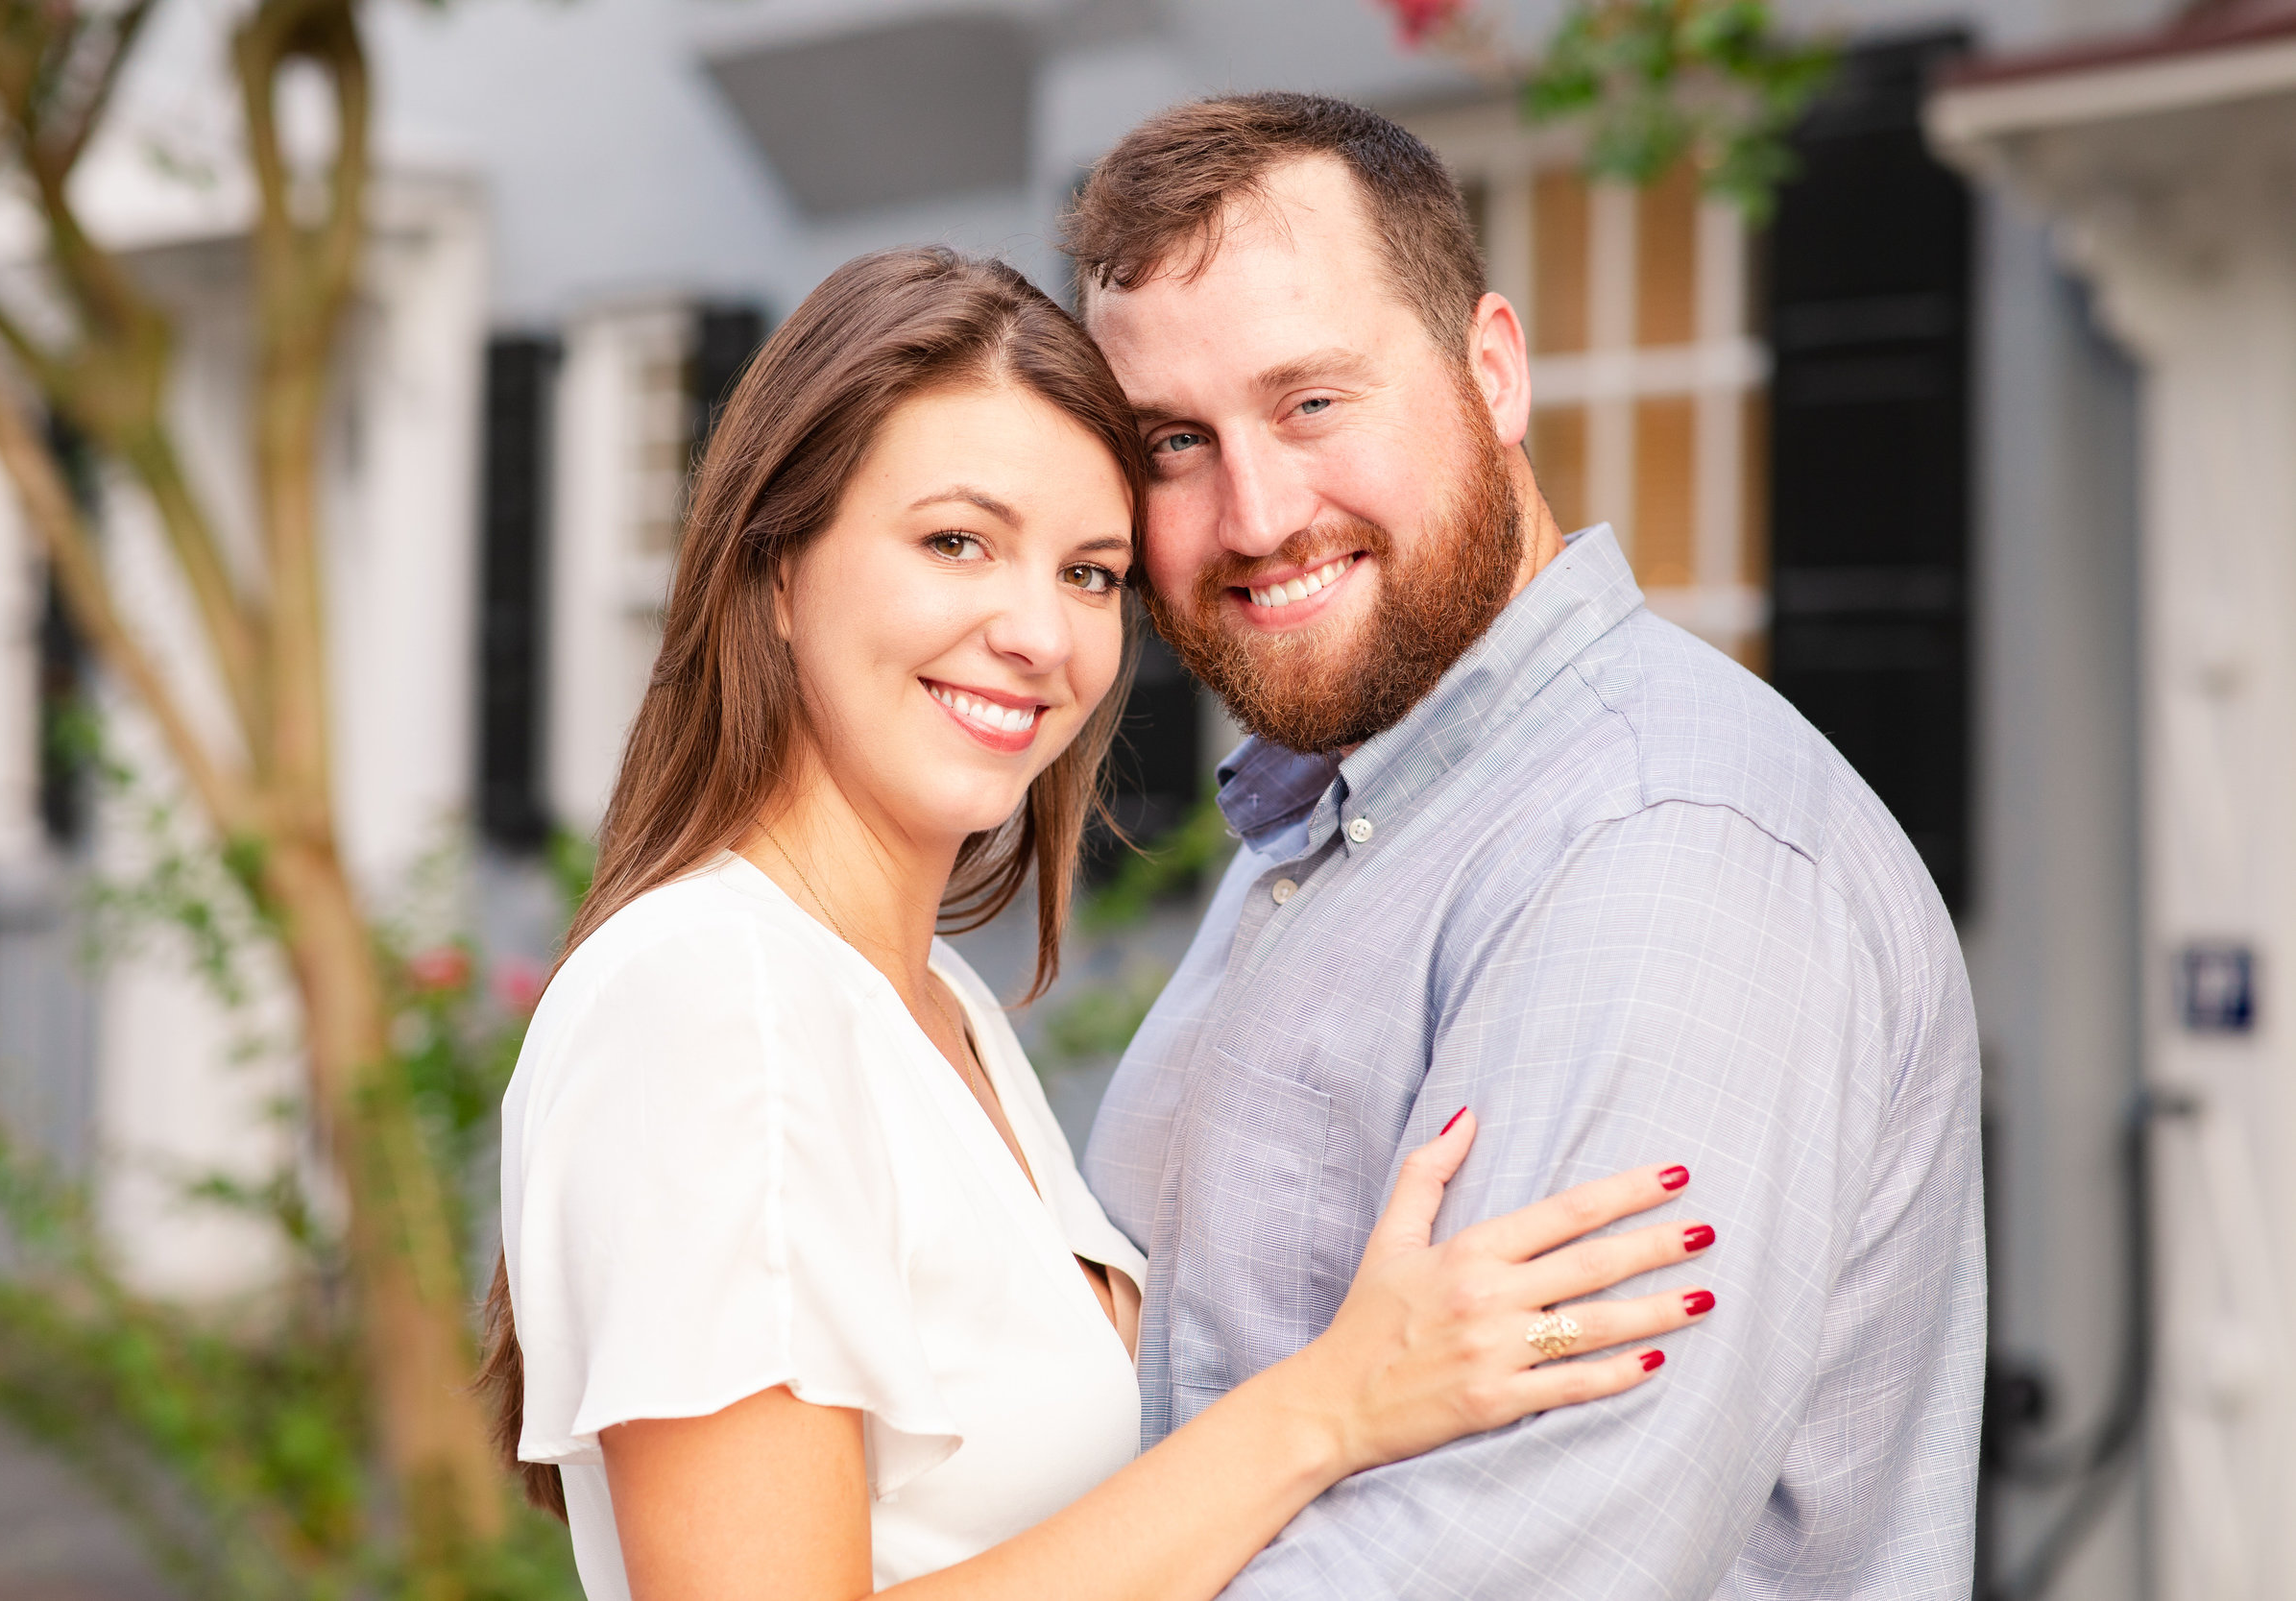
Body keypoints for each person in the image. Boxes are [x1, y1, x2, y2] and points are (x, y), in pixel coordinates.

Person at [479, 247, 1721, 1601]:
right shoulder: (714, 1004)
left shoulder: (930, 1006)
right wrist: (1328, 1409)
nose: (1037, 633)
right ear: (776, 569)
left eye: (1090, 574)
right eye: (957, 541)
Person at [1067, 92, 1985, 1598]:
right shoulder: (1343, 811)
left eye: (1311, 402)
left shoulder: (1661, 854)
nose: (1256, 513)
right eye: (1176, 440)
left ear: (1491, 369)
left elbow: (1511, 1566)